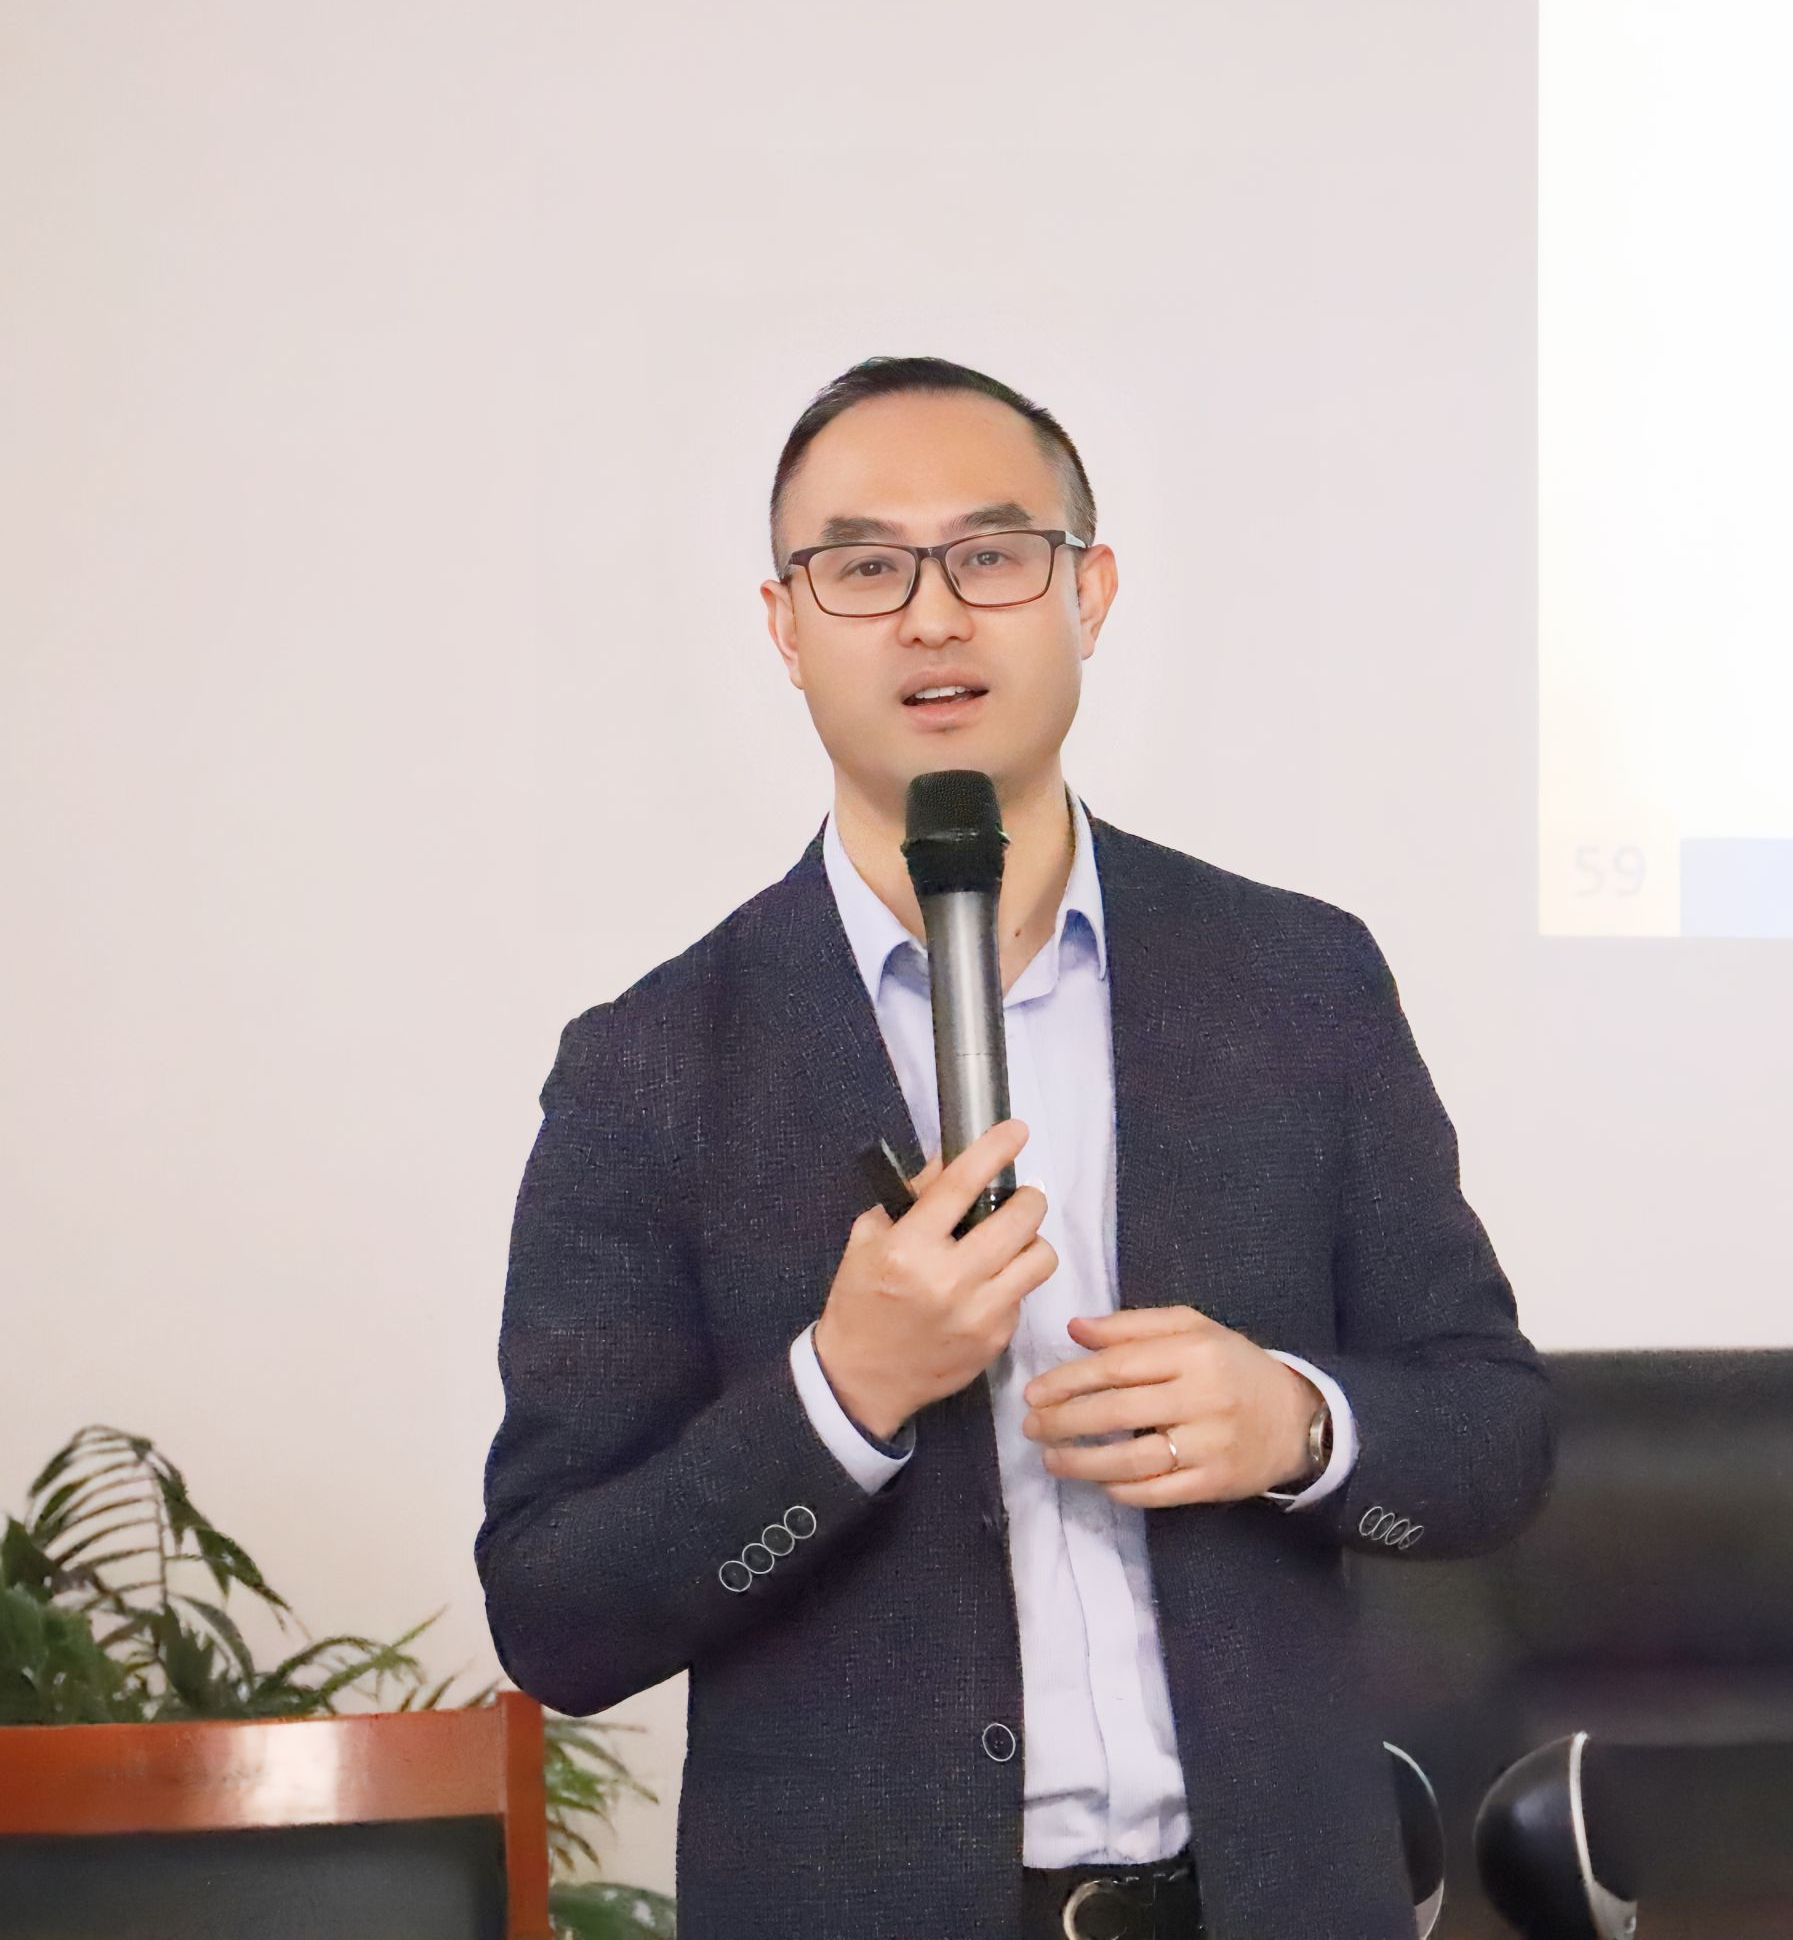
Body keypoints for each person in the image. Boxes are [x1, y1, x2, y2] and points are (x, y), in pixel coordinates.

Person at [475, 356, 1554, 1940]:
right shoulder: (647, 1067)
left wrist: (1295, 1424)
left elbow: (1493, 1438)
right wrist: (840, 1393)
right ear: (785, 625)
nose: (933, 616)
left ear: (1087, 593)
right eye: (864, 569)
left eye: (991, 555)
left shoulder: (1297, 983)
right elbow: (555, 1618)